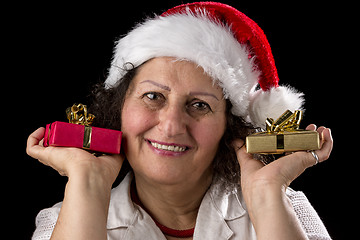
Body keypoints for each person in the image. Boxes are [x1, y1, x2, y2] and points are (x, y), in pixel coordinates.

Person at [27, 2, 333, 240]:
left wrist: (267, 194)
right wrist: (88, 183)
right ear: (119, 107)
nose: (172, 125)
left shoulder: (287, 209)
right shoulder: (66, 218)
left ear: (230, 127)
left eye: (199, 105)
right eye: (153, 97)